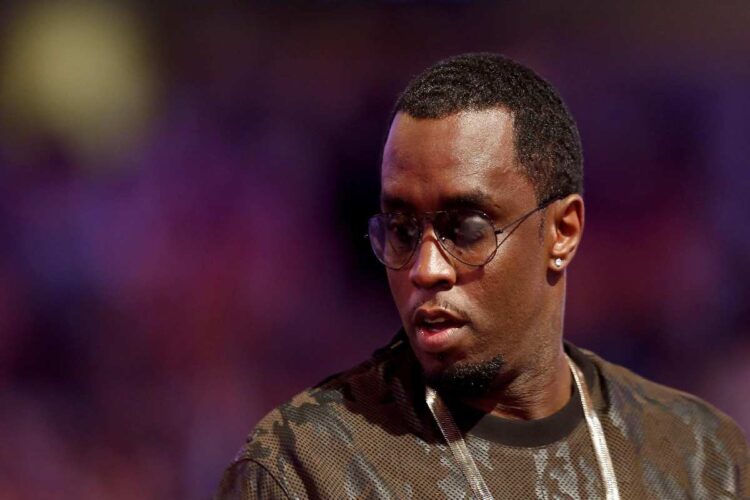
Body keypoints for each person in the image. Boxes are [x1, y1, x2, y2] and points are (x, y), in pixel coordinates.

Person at [215, 53, 749, 499]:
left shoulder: (701, 458)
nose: (426, 269)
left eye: (467, 229)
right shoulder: (303, 470)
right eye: (402, 231)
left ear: (562, 232)